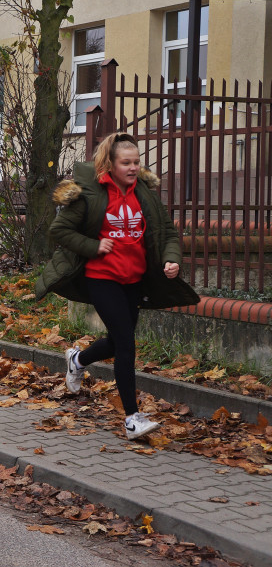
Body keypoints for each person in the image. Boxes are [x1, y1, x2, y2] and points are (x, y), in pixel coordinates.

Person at [36, 132, 199, 440]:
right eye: (126, 162)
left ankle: (77, 359)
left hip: (134, 279)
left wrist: (171, 259)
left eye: (137, 161)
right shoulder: (90, 194)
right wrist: (93, 245)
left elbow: (167, 232)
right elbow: (60, 229)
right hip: (102, 278)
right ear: (110, 163)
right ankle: (131, 418)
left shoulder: (145, 194)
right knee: (126, 345)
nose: (133, 167)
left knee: (116, 341)